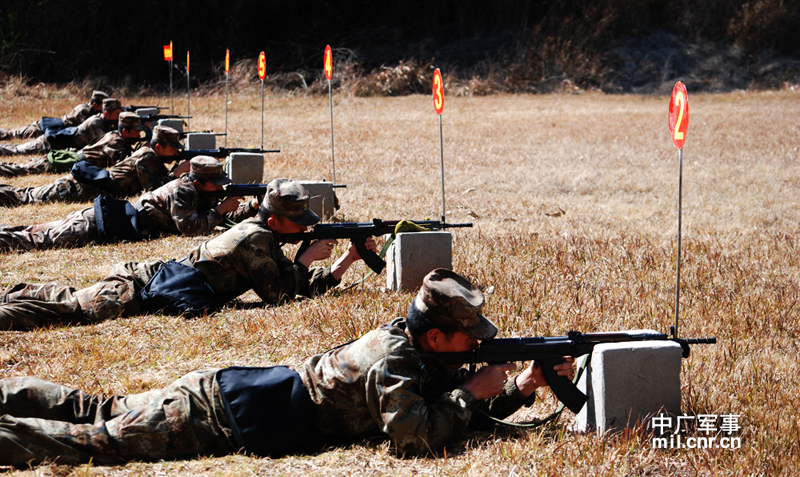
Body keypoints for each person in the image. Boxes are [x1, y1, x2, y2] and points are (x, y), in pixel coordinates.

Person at [0, 268, 575, 465]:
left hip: (228, 393)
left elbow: (445, 404)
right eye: (466, 336)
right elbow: (414, 437)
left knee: (99, 410)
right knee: (98, 438)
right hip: (216, 415)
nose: (476, 345)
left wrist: (521, 389)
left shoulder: (420, 350)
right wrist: (472, 395)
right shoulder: (394, 360)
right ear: (434, 335)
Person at [0, 178, 375, 329]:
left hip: (152, 280)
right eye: (299, 223)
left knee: (68, 300)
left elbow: (289, 287)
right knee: (74, 311)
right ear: (274, 221)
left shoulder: (265, 237)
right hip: (140, 287)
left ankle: (12, 294)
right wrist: (306, 260)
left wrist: (344, 262)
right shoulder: (254, 239)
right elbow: (280, 294)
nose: (306, 228)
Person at [0, 155, 254, 253]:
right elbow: (191, 228)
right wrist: (221, 208)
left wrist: (251, 208)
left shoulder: (195, 192)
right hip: (100, 224)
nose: (220, 188)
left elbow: (220, 217)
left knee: (36, 231)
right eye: (216, 183)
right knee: (39, 239)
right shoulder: (182, 191)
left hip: (111, 219)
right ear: (199, 183)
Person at [0, 122, 187, 206]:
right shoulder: (146, 156)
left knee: (27, 194)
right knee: (27, 197)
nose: (176, 152)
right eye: (173, 148)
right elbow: (154, 190)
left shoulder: (153, 157)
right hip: (79, 188)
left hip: (91, 187)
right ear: (160, 147)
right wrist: (177, 172)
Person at [0, 98, 122, 156]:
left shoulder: (103, 122)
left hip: (59, 144)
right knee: (16, 150)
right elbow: (102, 143)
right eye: (117, 114)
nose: (119, 117)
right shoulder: (95, 123)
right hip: (51, 143)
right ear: (106, 113)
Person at [0, 90, 108, 140]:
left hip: (53, 126)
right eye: (102, 105)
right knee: (15, 134)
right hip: (48, 126)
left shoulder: (89, 109)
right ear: (95, 104)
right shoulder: (84, 110)